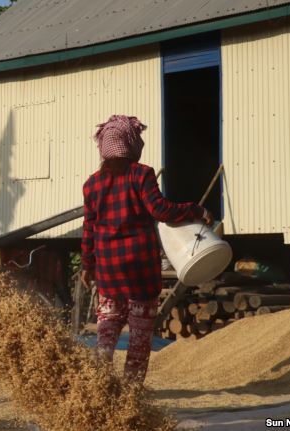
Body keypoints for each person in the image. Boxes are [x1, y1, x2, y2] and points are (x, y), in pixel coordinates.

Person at [80, 115, 212, 383]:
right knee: (139, 339)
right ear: (131, 143)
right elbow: (160, 210)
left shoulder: (92, 184)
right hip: (140, 271)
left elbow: (89, 230)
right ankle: (131, 393)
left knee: (106, 332)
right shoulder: (141, 174)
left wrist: (86, 265)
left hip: (109, 272)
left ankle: (98, 386)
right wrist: (195, 210)